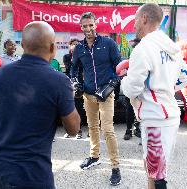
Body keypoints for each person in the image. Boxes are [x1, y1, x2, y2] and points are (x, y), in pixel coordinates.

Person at [0, 21, 80, 189]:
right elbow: (73, 129)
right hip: (31, 175)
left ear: (22, 45)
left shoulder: (0, 75)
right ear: (53, 48)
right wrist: (68, 97)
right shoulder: (59, 81)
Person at [121, 3, 187, 189]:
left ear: (144, 18)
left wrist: (123, 80)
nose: (134, 25)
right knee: (154, 168)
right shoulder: (172, 47)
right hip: (168, 115)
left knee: (158, 175)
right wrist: (166, 85)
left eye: (136, 20)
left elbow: (132, 88)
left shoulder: (143, 49)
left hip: (155, 118)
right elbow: (186, 78)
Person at [71, 12, 122, 186]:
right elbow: (74, 69)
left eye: (91, 25)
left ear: (96, 24)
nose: (88, 29)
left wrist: (113, 84)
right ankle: (94, 157)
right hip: (88, 94)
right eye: (84, 26)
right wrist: (76, 81)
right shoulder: (79, 48)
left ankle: (115, 167)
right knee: (92, 127)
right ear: (81, 27)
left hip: (106, 95)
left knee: (107, 129)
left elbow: (119, 67)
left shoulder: (108, 43)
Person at [63, 38, 85, 139]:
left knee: (79, 107)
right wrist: (73, 57)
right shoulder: (67, 57)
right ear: (70, 46)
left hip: (79, 84)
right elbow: (69, 68)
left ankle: (79, 130)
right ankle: (68, 130)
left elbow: (82, 69)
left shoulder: (82, 57)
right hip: (68, 84)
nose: (75, 46)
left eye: (77, 44)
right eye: (73, 44)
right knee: (68, 108)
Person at [123, 38, 141, 141]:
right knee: (129, 109)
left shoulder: (146, 57)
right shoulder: (131, 58)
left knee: (140, 108)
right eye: (134, 47)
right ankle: (128, 129)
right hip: (131, 86)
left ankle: (137, 127)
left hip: (142, 87)